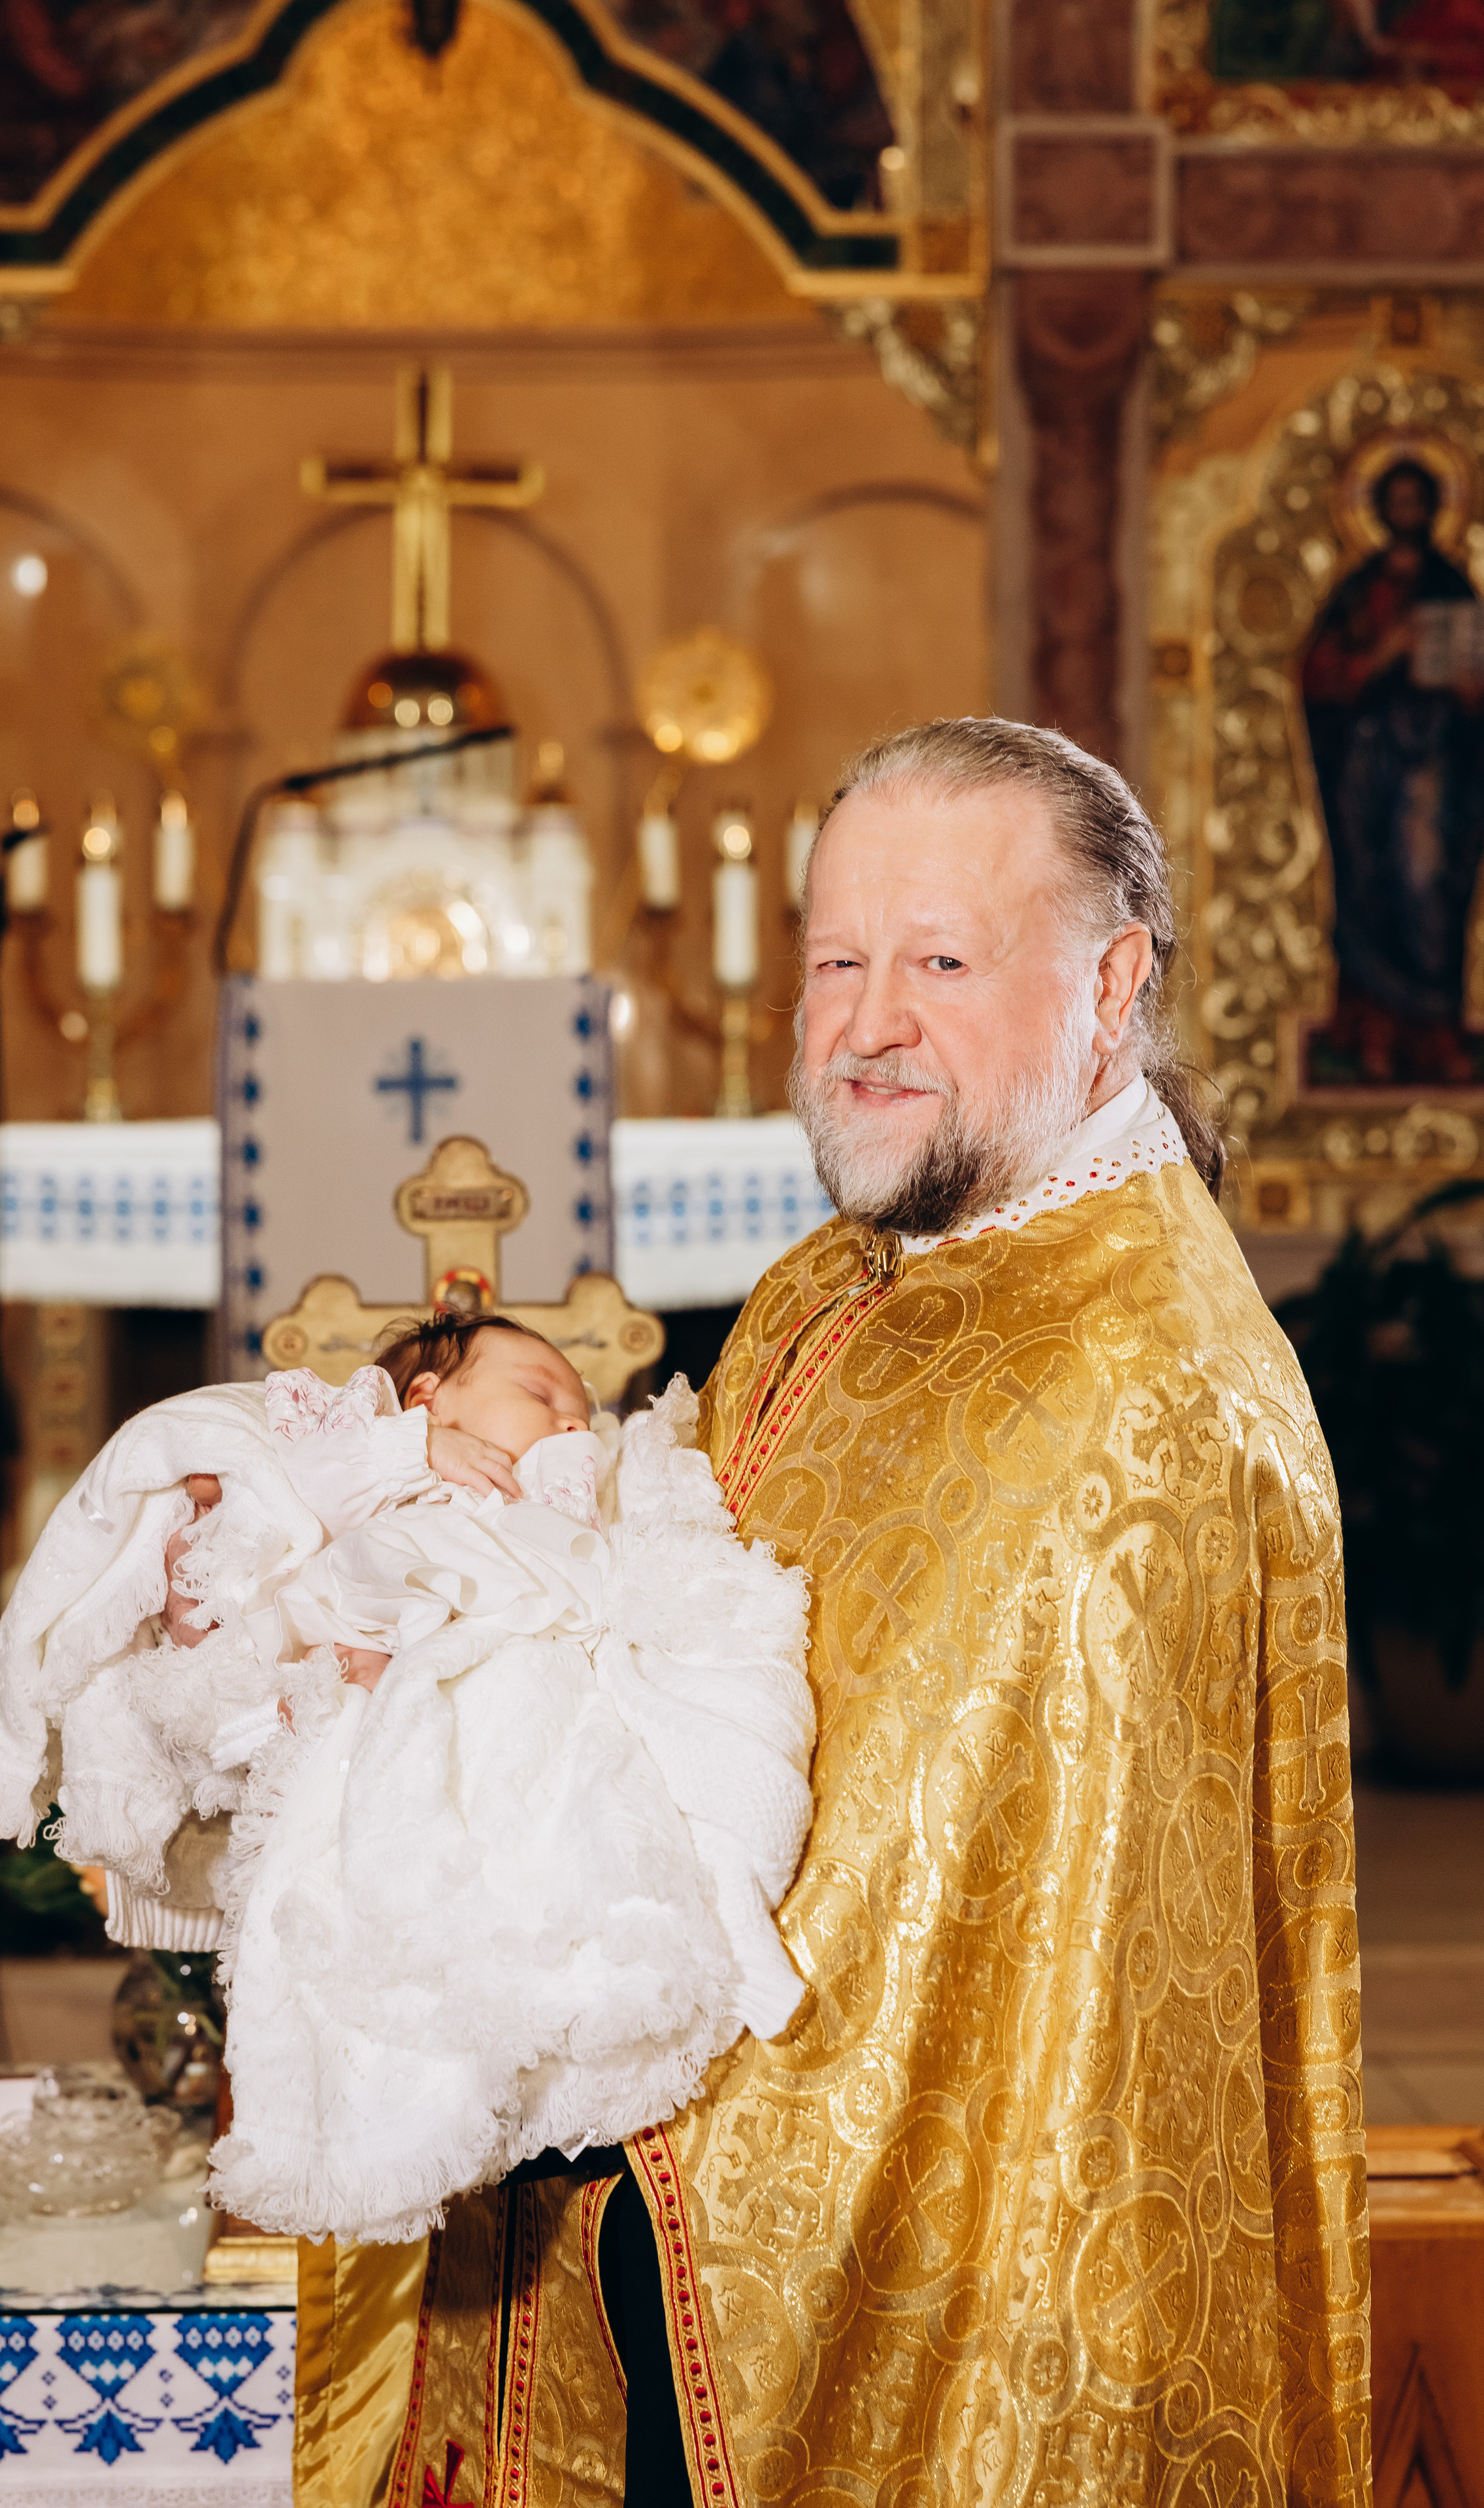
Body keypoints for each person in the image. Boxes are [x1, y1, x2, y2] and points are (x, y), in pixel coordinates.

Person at [303, 718, 1368, 2508]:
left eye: (939, 964)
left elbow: (935, 1953)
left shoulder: (1142, 1398)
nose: (868, 1025)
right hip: (631, 2199)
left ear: (1110, 988)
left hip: (891, 2309)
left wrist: (542, 2027)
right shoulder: (846, 1271)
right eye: (836, 964)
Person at [0, 1311, 814, 2247]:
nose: (570, 1418)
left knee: (600, 1787)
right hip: (400, 1633)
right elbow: (292, 1492)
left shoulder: (575, 1480)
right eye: (539, 1392)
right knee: (404, 1832)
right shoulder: (385, 1456)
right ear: (429, 1396)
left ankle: (707, 1913)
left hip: (527, 1661)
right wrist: (413, 1452)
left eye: (580, 1407)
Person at [1302, 455, 1484, 1087]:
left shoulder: (1451, 587)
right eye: (1397, 501)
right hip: (1369, 764)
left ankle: (1435, 1037)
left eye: (1418, 501)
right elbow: (1319, 674)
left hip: (1437, 765)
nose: (1408, 513)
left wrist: (1468, 688)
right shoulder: (1359, 590)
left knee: (1429, 884)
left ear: (1433, 509)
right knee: (1373, 884)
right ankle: (1373, 1034)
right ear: (1380, 510)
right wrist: (1384, 653)